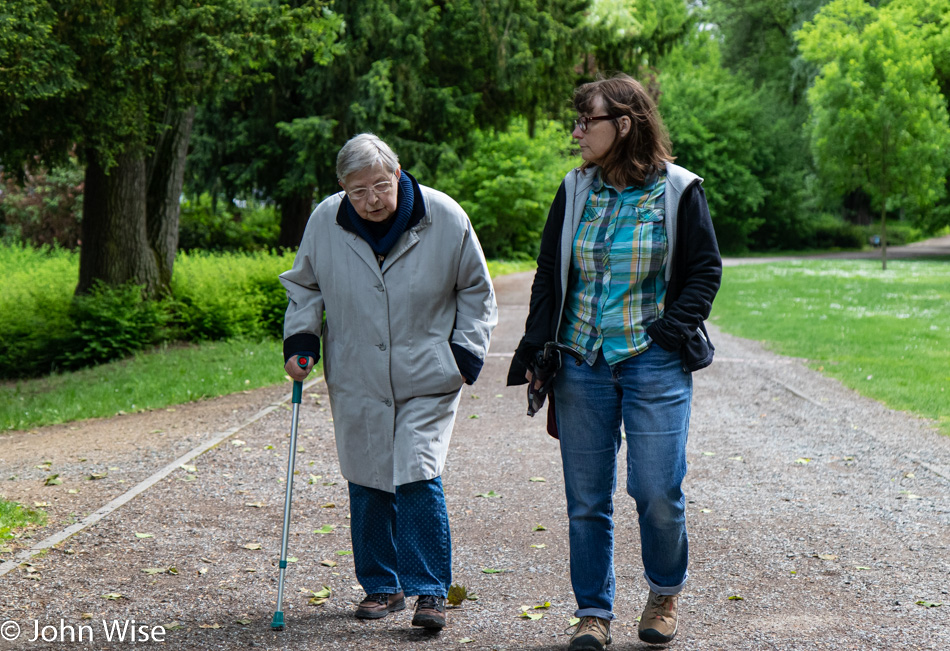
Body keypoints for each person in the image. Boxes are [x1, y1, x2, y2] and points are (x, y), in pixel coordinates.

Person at [507, 75, 722, 650]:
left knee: (656, 490)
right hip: (581, 362)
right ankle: (593, 613)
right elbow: (549, 275)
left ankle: (663, 591)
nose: (577, 132)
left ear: (623, 125)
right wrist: (536, 348)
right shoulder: (575, 189)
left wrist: (668, 333)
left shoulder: (679, 190)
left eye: (587, 122)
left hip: (653, 362)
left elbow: (705, 272)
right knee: (586, 500)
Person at [280, 133, 497, 631]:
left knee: (417, 471)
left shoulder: (444, 216)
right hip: (357, 369)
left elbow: (477, 291)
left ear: (398, 173)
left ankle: (429, 592)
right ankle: (382, 584)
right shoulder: (325, 220)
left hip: (428, 369)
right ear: (342, 188)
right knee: (368, 475)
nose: (372, 200)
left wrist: (463, 354)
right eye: (358, 191)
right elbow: (305, 286)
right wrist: (302, 343)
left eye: (380, 186)